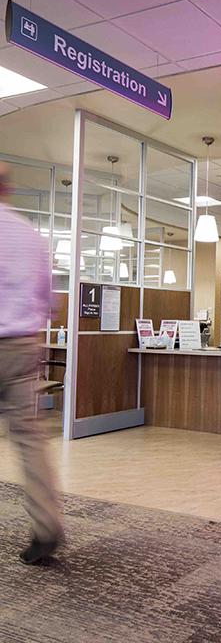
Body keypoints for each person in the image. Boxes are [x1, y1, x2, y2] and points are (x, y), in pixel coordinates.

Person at [0, 162, 64, 564]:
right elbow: (48, 300)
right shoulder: (29, 234)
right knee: (29, 439)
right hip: (23, 345)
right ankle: (46, 528)